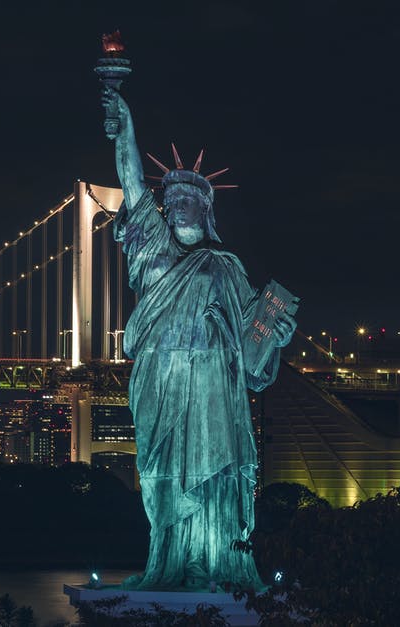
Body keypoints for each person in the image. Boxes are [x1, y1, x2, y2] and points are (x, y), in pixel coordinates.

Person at [101, 86, 296, 590]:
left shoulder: (225, 267)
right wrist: (125, 123)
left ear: (206, 209)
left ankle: (218, 563)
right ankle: (168, 561)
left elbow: (255, 346)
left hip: (213, 385)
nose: (179, 204)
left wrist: (277, 333)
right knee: (165, 471)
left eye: (190, 198)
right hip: (163, 381)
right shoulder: (153, 251)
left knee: (214, 475)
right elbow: (129, 179)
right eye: (172, 199)